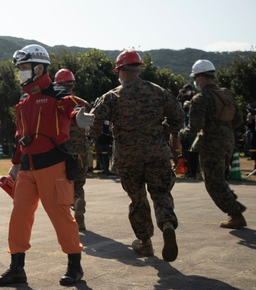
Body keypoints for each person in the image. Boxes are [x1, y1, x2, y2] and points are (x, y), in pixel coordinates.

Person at [0, 45, 84, 287]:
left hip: (53, 165)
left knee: (60, 215)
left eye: (24, 68)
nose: (21, 72)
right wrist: (14, 166)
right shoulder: (23, 101)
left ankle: (75, 266)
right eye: (20, 68)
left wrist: (80, 116)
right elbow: (20, 136)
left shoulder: (58, 95)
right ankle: (16, 269)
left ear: (40, 67)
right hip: (26, 168)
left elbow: (72, 108)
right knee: (19, 216)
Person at [86, 49, 184, 261]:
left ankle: (145, 242)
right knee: (161, 194)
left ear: (120, 71)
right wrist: (163, 129)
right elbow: (178, 119)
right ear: (139, 69)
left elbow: (92, 126)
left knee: (137, 199)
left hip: (128, 157)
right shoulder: (159, 91)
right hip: (157, 153)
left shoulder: (111, 96)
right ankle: (167, 224)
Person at [188, 59, 247, 228]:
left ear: (200, 78)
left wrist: (180, 133)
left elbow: (195, 127)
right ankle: (235, 208)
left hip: (211, 145)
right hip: (228, 142)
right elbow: (238, 119)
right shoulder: (226, 94)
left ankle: (235, 214)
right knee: (219, 179)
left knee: (213, 183)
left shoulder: (200, 99)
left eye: (195, 78)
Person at [55, 68, 92, 231]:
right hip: (82, 149)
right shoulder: (84, 103)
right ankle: (80, 217)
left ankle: (73, 202)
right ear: (73, 84)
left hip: (63, 148)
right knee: (79, 182)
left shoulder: (56, 103)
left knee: (64, 182)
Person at [178, 85, 201, 178]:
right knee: (185, 154)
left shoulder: (195, 100)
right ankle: (188, 171)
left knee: (193, 155)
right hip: (185, 133)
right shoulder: (182, 101)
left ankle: (193, 172)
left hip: (192, 134)